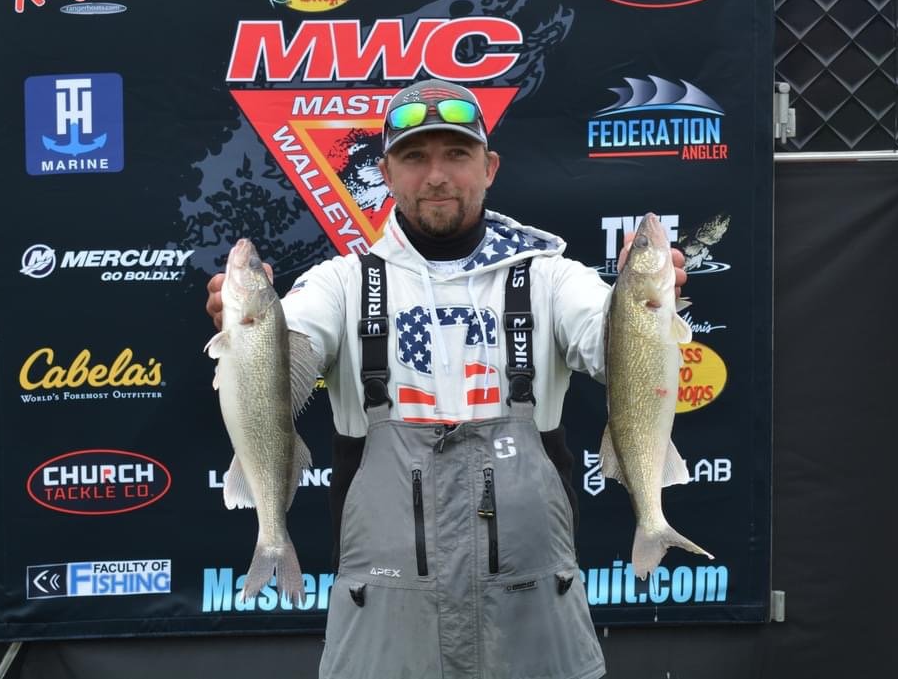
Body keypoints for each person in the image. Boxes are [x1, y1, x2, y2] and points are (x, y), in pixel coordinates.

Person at [206, 79, 686, 679]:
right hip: (385, 627)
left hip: (534, 620)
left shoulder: (552, 277)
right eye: (414, 157)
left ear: (490, 168)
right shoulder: (339, 283)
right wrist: (250, 327)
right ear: (385, 173)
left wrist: (642, 306)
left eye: (457, 154)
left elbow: (614, 351)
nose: (436, 176)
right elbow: (284, 356)